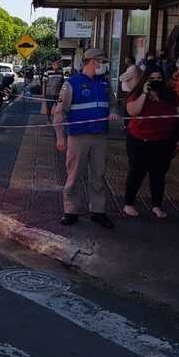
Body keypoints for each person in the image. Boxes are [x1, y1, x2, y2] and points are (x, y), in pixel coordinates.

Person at [53, 48, 120, 228]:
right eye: (101, 62)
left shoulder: (105, 84)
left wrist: (113, 112)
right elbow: (59, 112)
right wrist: (60, 137)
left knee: (98, 175)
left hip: (100, 136)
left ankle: (98, 211)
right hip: (79, 136)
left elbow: (113, 104)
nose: (104, 65)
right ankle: (70, 210)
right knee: (74, 175)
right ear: (92, 61)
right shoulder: (72, 83)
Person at [123, 66, 179, 218]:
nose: (156, 81)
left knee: (158, 175)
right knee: (136, 173)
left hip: (162, 142)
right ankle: (129, 203)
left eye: (159, 78)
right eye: (152, 78)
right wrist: (145, 93)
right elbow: (133, 111)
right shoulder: (138, 93)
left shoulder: (170, 95)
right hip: (139, 140)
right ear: (146, 79)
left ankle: (157, 205)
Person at [42, 59, 65, 123]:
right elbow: (44, 82)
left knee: (59, 108)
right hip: (49, 93)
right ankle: (48, 119)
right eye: (55, 64)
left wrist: (63, 92)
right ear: (53, 64)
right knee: (49, 108)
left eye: (58, 64)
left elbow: (62, 82)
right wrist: (43, 93)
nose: (57, 66)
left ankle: (58, 120)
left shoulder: (61, 70)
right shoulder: (48, 70)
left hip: (58, 93)